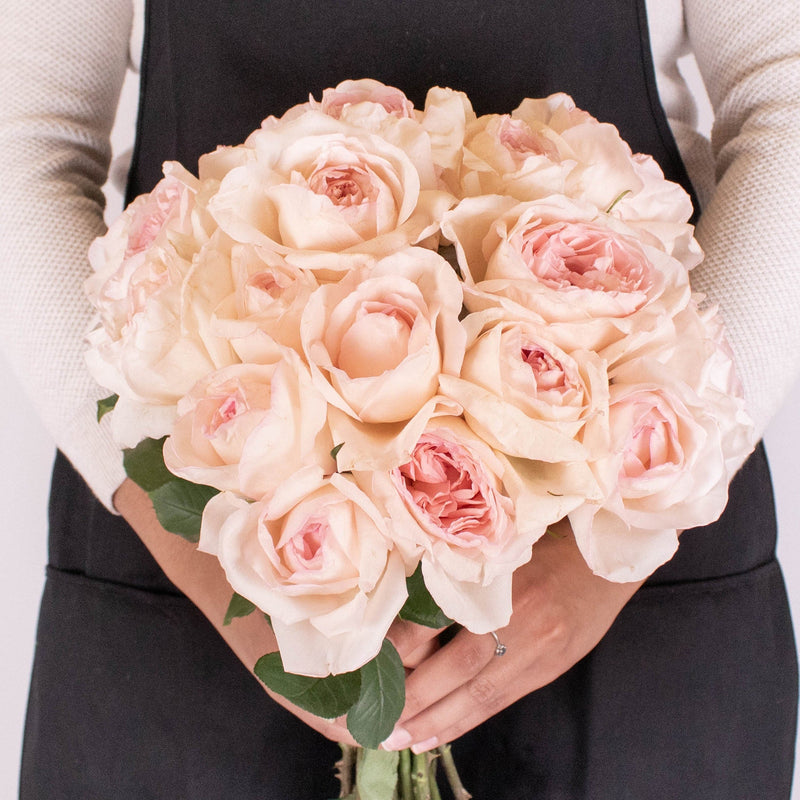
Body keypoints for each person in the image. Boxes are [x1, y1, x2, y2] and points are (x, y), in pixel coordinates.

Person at [1, 0, 798, 797]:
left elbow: (786, 90)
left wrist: (615, 553)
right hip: (192, 563)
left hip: (626, 578)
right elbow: (25, 136)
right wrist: (208, 553)